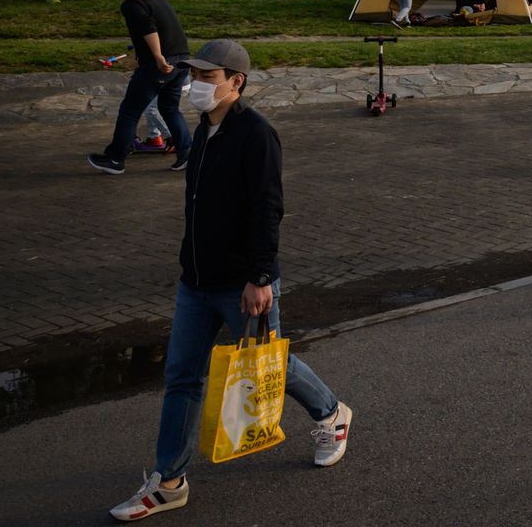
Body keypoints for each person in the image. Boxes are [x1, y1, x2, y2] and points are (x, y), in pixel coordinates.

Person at [107, 39, 352, 521]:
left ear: (236, 82)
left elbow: (268, 210)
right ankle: (170, 481)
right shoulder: (203, 131)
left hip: (242, 283)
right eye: (194, 75)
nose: (196, 85)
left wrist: (260, 276)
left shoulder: (256, 134)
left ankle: (330, 414)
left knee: (268, 366)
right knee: (182, 377)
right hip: (195, 281)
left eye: (207, 77)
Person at [88, 0, 192, 175]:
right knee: (170, 108)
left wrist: (158, 57)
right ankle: (188, 154)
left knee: (130, 111)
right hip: (182, 59)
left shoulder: (132, 4)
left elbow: (149, 29)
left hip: (160, 64)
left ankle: (116, 159)